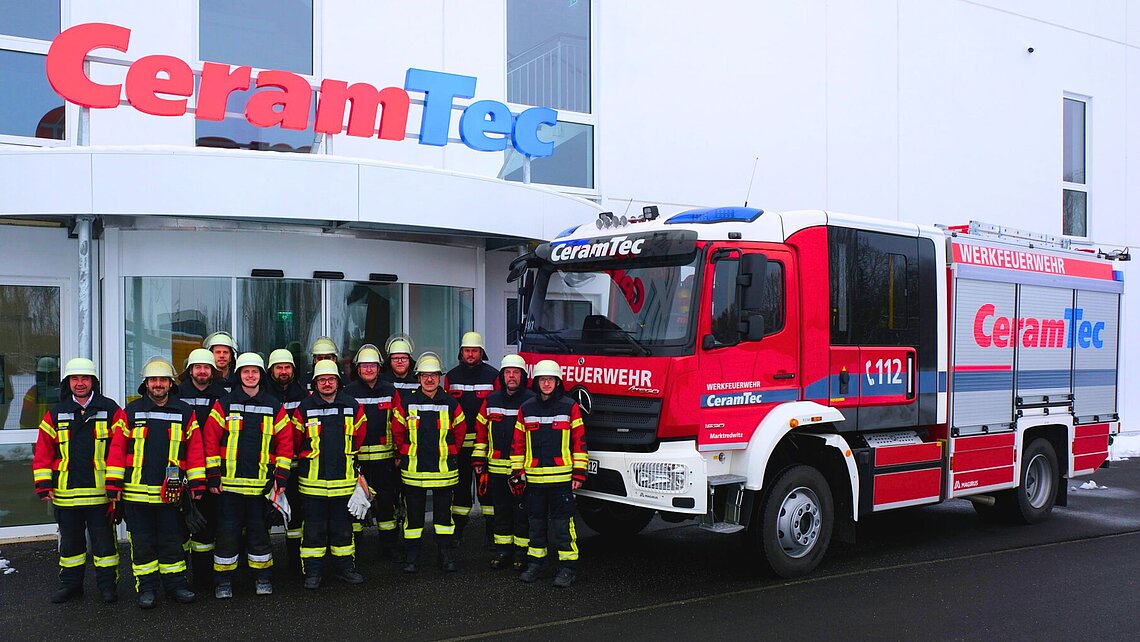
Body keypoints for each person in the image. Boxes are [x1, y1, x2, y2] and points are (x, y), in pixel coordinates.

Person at [106, 357, 206, 608]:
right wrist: (114, 485)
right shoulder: (130, 412)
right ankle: (147, 588)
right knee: (142, 545)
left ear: (171, 383)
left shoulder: (184, 412)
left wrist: (197, 485)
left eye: (163, 380)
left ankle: (176, 585)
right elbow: (117, 449)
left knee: (173, 542)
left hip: (171, 494)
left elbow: (195, 450)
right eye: (153, 380)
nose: (158, 384)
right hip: (136, 495)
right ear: (146, 383)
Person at [32, 357, 127, 604]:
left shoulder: (111, 410)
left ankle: (107, 587)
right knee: (71, 545)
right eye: (75, 379)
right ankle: (71, 586)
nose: (80, 383)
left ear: (93, 381)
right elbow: (43, 451)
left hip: (100, 495)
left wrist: (115, 484)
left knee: (105, 546)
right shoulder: (56, 412)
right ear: (68, 382)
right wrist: (43, 484)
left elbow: (119, 449)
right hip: (65, 494)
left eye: (85, 378)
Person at [202, 352, 293, 598]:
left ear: (261, 375)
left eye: (254, 372)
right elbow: (210, 440)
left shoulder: (273, 406)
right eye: (245, 372)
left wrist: (281, 477)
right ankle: (223, 581)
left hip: (261, 487)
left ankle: (262, 577)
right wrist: (213, 475)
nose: (250, 376)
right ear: (239, 375)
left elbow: (285, 444)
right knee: (226, 535)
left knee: (259, 535)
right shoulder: (224, 404)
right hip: (228, 488)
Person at [510, 359, 587, 588]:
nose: (546, 383)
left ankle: (568, 568)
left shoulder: (569, 407)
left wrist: (579, 473)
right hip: (534, 481)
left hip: (562, 481)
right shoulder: (526, 408)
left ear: (557, 382)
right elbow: (518, 444)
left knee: (563, 527)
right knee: (536, 526)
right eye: (543, 379)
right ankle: (537, 564)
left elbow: (579, 442)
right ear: (536, 382)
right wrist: (517, 472)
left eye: (550, 379)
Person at [292, 360, 367, 590]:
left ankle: (345, 568)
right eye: (322, 380)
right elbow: (296, 439)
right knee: (313, 531)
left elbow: (359, 436)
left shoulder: (352, 406)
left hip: (343, 483)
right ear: (315, 383)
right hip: (312, 484)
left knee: (342, 530)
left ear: (338, 382)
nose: (327, 383)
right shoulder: (304, 408)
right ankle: (313, 572)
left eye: (331, 379)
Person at [390, 352, 465, 573]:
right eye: (425, 375)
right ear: (418, 377)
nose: (429, 379)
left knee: (443, 518)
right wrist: (405, 451)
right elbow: (397, 430)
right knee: (413, 518)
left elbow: (460, 431)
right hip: (414, 470)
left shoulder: (451, 403)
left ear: (440, 377)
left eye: (433, 375)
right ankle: (412, 556)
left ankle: (445, 554)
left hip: (444, 471)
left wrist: (451, 452)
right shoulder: (407, 403)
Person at [472, 354, 534, 570]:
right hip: (496, 468)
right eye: (508, 372)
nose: (512, 376)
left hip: (521, 470)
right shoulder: (491, 401)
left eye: (516, 372)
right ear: (502, 376)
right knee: (501, 511)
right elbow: (481, 432)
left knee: (521, 512)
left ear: (523, 376)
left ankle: (521, 553)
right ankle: (503, 551)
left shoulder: (531, 401)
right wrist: (479, 459)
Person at [343, 344, 402, 561]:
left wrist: (399, 452)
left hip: (385, 460)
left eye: (372, 366)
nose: (368, 369)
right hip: (357, 461)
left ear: (379, 368)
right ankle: (354, 550)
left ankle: (389, 548)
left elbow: (398, 422)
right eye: (364, 366)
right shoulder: (348, 392)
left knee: (387, 506)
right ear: (358, 369)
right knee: (355, 506)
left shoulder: (390, 391)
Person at [176, 348, 228, 586]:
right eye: (198, 367)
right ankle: (178, 577)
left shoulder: (222, 395)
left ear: (212, 371)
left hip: (213, 467)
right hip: (182, 466)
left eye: (206, 367)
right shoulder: (177, 394)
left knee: (207, 525)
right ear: (190, 370)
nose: (202, 371)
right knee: (179, 527)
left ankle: (203, 578)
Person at [443, 331, 499, 546]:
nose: (470, 354)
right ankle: (458, 531)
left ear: (481, 352)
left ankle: (492, 533)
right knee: (460, 489)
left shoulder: (493, 376)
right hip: (460, 446)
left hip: (485, 445)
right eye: (467, 350)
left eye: (474, 351)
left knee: (488, 490)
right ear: (461, 352)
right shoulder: (451, 377)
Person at [264, 347, 309, 572]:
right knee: (263, 516)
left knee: (296, 517)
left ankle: (294, 563)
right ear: (271, 370)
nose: (283, 371)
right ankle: (262, 563)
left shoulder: (303, 396)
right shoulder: (262, 395)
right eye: (279, 368)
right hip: (268, 466)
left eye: (287, 367)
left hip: (296, 466)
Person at [20, 356, 60, 429]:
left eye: (50, 375)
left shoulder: (63, 391)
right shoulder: (33, 392)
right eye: (43, 376)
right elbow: (25, 420)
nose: (47, 379)